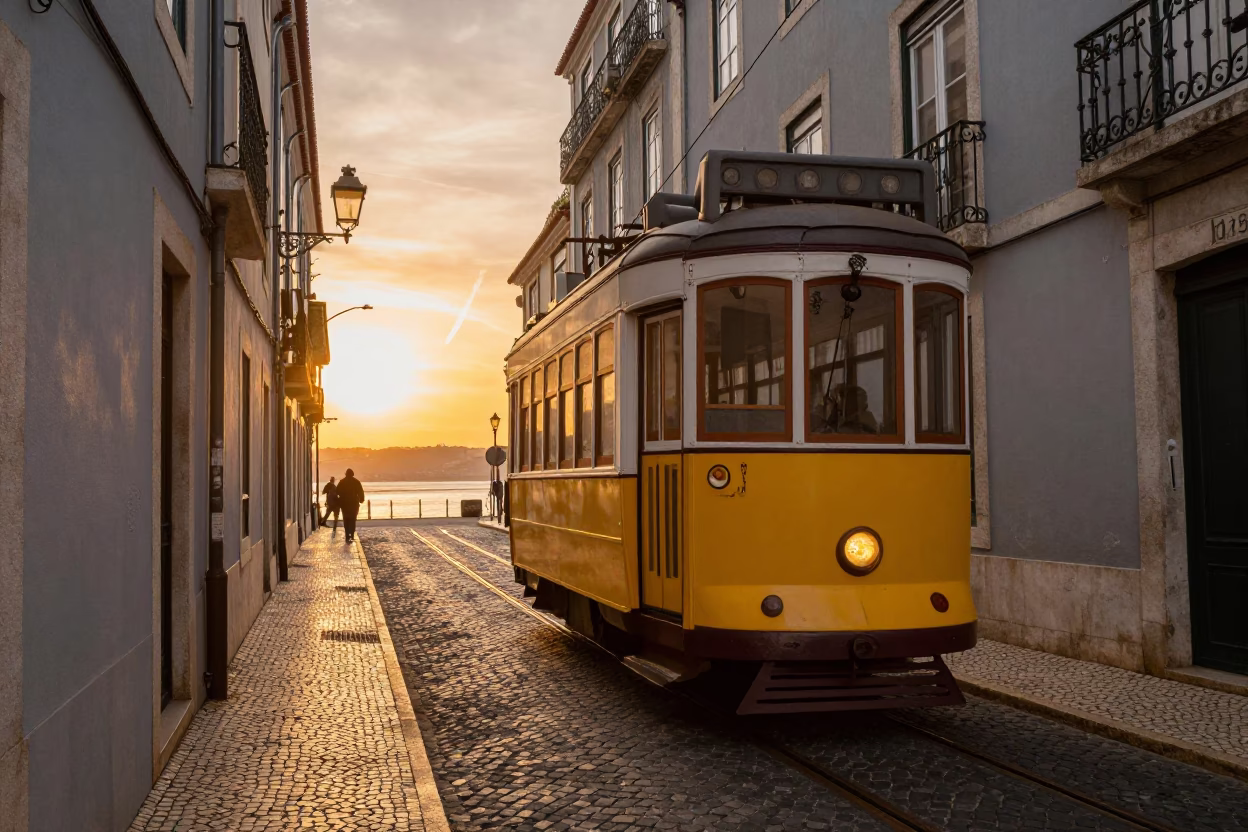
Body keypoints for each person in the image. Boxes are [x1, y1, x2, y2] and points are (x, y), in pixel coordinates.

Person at [337, 468, 366, 544]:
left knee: (346, 519)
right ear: (352, 474)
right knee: (353, 519)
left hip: (344, 504)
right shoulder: (356, 482)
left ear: (346, 474)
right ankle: (352, 534)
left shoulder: (342, 482)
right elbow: (360, 492)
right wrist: (361, 499)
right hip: (354, 504)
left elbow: (337, 491)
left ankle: (347, 535)